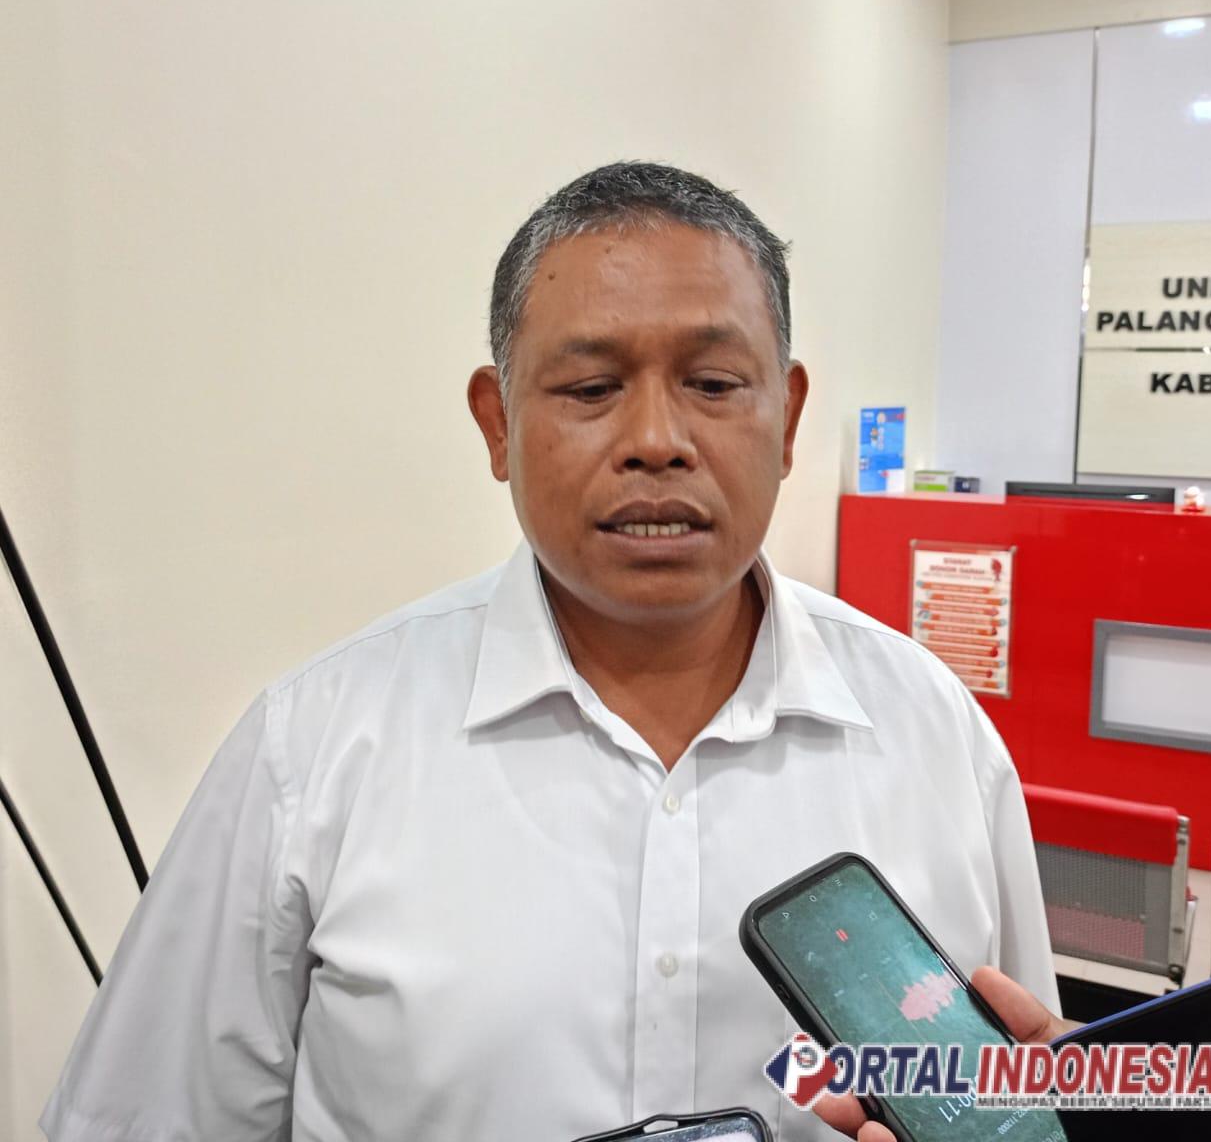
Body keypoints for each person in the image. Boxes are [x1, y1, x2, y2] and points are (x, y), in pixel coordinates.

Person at [41, 162, 1058, 1141]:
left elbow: (1031, 1101)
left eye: (712, 382)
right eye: (589, 388)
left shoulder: (934, 737)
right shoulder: (312, 751)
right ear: (497, 424)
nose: (656, 439)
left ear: (787, 418)